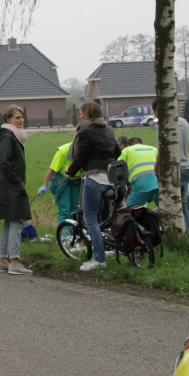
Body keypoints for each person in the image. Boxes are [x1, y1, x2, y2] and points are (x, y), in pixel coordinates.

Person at [66, 101, 121, 272]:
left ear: (88, 115)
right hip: (110, 178)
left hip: (94, 178)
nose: (80, 116)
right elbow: (117, 151)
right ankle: (107, 245)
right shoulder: (108, 129)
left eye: (81, 113)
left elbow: (81, 157)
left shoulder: (86, 131)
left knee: (90, 218)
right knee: (103, 217)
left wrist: (71, 170)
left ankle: (99, 258)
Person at [0, 105, 33, 275]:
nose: (21, 120)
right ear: (8, 120)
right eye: (17, 117)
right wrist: (17, 182)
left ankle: (2, 260)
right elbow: (4, 162)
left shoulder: (13, 135)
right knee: (16, 220)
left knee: (9, 221)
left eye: (22, 117)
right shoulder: (8, 136)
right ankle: (14, 262)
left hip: (8, 184)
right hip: (10, 185)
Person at [152, 99, 189, 233]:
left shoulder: (164, 125)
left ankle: (176, 237)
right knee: (183, 206)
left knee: (172, 206)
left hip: (173, 169)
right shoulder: (184, 122)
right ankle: (188, 238)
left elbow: (162, 150)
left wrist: (156, 168)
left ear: (157, 110)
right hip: (186, 167)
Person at [37, 142, 81, 227]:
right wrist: (45, 185)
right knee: (64, 209)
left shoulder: (86, 150)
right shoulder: (63, 151)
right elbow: (52, 169)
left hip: (77, 181)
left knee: (76, 210)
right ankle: (64, 236)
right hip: (63, 181)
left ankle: (75, 234)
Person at [119, 138, 159, 208]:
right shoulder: (154, 149)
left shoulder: (127, 150)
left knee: (129, 211)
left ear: (129, 145)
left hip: (140, 184)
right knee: (166, 211)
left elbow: (118, 167)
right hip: (157, 183)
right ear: (142, 144)